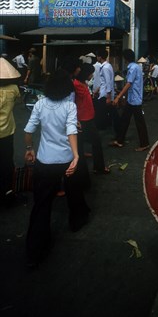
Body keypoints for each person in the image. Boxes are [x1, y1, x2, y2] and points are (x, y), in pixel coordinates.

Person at [24, 69, 90, 267]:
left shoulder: (40, 103)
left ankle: (36, 249)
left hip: (44, 160)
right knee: (74, 193)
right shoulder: (69, 106)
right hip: (67, 160)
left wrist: (29, 149)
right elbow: (71, 130)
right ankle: (77, 221)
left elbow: (28, 130)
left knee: (41, 205)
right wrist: (76, 155)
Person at [73, 63, 110, 175]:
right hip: (82, 119)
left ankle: (98, 167)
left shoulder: (83, 83)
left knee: (94, 141)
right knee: (89, 142)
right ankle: (95, 168)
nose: (92, 75)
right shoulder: (76, 84)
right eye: (91, 73)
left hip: (88, 117)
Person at [111, 49, 150, 151]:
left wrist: (118, 96)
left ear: (125, 59)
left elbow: (129, 84)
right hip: (132, 99)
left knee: (139, 122)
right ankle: (120, 140)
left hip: (135, 100)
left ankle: (144, 144)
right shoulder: (136, 67)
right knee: (125, 119)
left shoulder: (132, 68)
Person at [0, 57, 21, 207]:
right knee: (7, 162)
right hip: (7, 132)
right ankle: (7, 192)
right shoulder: (14, 88)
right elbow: (18, 101)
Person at [94, 49, 115, 130]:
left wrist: (108, 97)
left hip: (105, 94)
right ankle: (108, 125)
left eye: (97, 56)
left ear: (100, 57)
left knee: (101, 111)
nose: (97, 57)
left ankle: (102, 127)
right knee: (109, 111)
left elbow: (108, 82)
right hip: (105, 92)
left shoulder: (105, 68)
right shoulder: (108, 66)